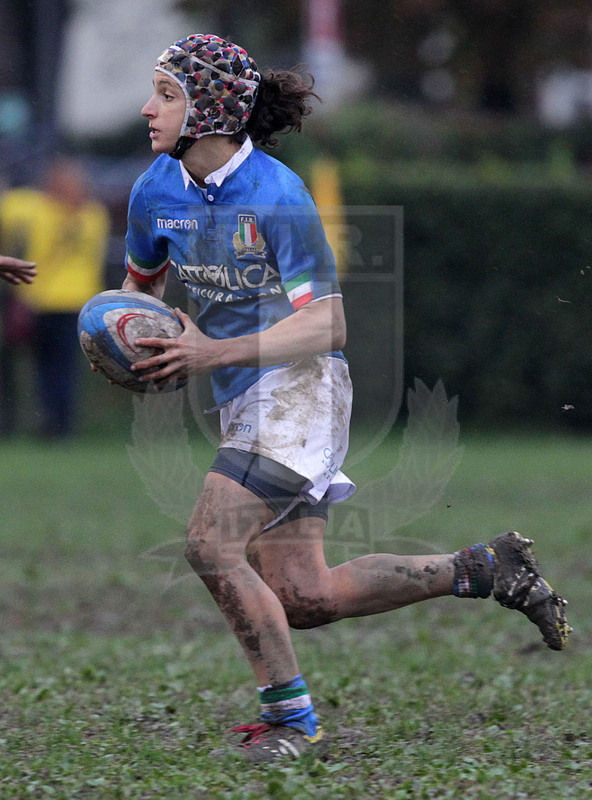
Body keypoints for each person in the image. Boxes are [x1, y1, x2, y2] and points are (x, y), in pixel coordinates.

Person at [120, 33, 571, 762]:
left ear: (209, 109)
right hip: (242, 398)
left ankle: (291, 724)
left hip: (301, 393)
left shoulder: (277, 195)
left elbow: (328, 323)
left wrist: (210, 350)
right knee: (305, 599)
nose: (148, 108)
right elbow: (134, 291)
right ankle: (486, 567)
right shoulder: (154, 190)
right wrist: (134, 337)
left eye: (166, 94)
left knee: (209, 544)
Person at [0, 157, 110, 437]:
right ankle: (43, 423)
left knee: (60, 369)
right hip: (38, 302)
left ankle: (56, 425)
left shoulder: (87, 215)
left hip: (70, 303)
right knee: (45, 368)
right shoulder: (81, 213)